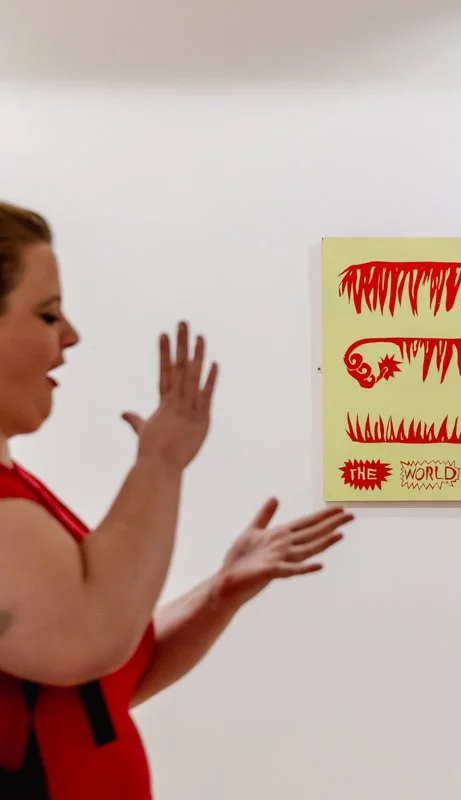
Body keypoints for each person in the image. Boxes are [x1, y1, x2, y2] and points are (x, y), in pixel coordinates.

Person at [0, 202, 351, 799]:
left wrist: (219, 592)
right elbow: (87, 640)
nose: (70, 336)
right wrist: (160, 465)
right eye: (47, 313)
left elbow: (104, 682)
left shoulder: (20, 490)